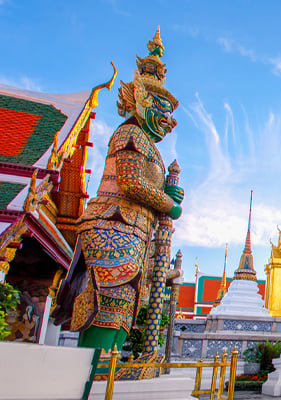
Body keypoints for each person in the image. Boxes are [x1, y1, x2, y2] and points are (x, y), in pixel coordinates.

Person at [52, 28, 183, 355]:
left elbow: (145, 186)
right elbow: (130, 183)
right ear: (143, 103)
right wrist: (169, 203)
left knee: (121, 311)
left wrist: (168, 197)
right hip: (115, 225)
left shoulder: (149, 147)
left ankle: (102, 375)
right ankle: (90, 375)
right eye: (165, 112)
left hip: (132, 231)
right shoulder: (130, 135)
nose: (170, 122)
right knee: (107, 306)